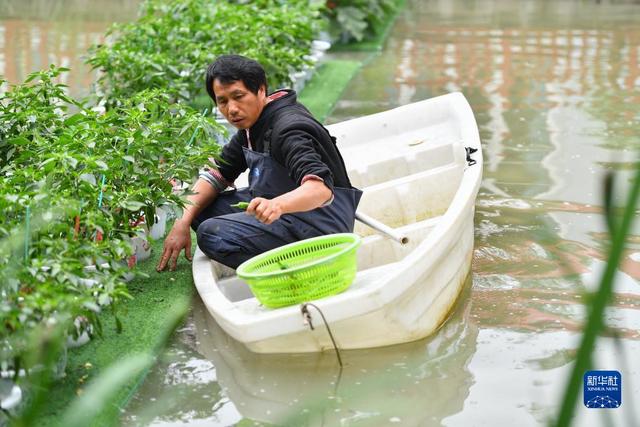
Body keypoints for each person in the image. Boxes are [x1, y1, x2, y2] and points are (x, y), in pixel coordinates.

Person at [157, 54, 362, 271]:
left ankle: (294, 270)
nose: (232, 109)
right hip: (282, 209)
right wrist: (182, 222)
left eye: (239, 96)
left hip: (321, 221)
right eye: (223, 101)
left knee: (211, 233)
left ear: (261, 90)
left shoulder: (288, 130)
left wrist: (277, 205)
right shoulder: (253, 124)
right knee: (201, 211)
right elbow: (219, 173)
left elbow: (320, 190)